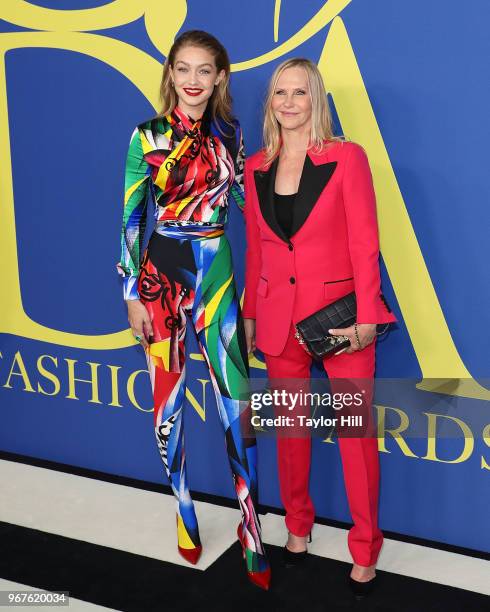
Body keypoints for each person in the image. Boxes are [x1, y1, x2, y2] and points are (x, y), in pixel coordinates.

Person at [117, 30, 270, 590]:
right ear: (171, 74)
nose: (192, 80)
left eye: (204, 70)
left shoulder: (231, 134)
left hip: (218, 274)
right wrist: (132, 293)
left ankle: (250, 525)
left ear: (220, 78)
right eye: (183, 68)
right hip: (162, 279)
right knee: (169, 402)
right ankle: (184, 510)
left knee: (237, 400)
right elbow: (132, 217)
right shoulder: (147, 137)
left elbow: (243, 208)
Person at [242, 57, 396, 597]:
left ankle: (365, 547)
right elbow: (260, 250)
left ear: (316, 100)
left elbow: (364, 243)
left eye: (299, 93)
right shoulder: (255, 165)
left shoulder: (346, 158)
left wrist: (369, 317)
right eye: (279, 92)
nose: (288, 102)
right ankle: (298, 527)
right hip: (278, 324)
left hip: (340, 322)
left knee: (355, 436)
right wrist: (250, 317)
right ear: (270, 103)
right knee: (289, 433)